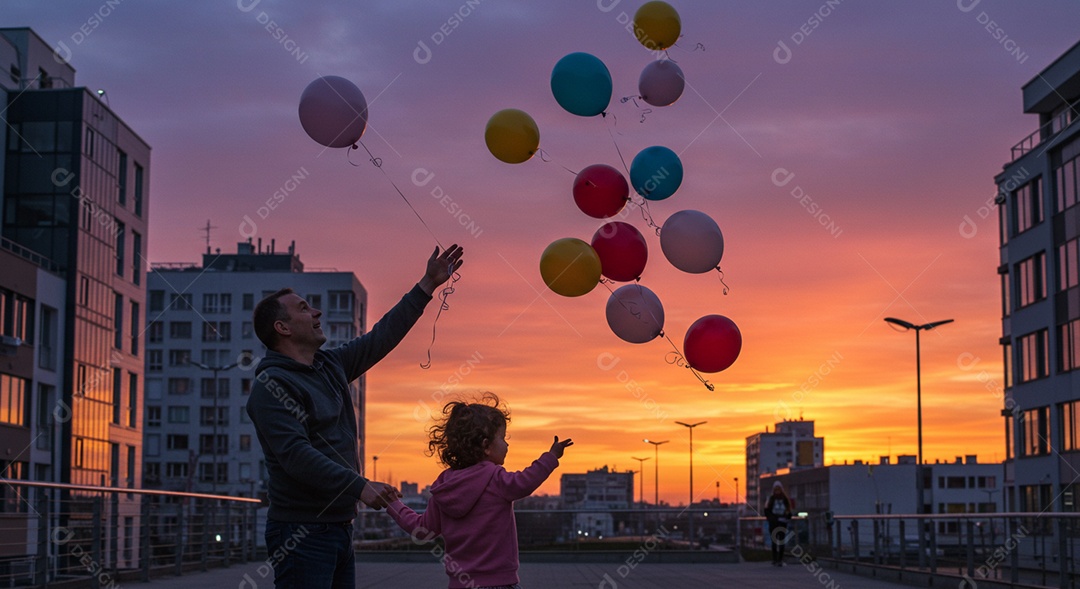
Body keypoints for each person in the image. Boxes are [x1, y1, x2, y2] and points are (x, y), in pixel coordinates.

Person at [246, 244, 464, 589]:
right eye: (304, 309)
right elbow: (297, 456)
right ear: (282, 328)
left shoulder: (329, 365)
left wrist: (427, 285)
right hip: (301, 534)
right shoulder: (271, 385)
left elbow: (381, 337)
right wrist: (359, 486)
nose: (316, 312)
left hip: (340, 527)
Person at [386, 393, 573, 589]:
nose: (507, 444)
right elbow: (525, 482)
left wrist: (394, 505)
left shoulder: (444, 487)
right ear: (486, 446)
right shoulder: (496, 479)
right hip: (500, 583)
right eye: (503, 438)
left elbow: (422, 530)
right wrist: (551, 457)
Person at [765, 480, 793, 566]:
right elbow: (767, 510)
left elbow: (789, 510)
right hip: (773, 523)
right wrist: (772, 519)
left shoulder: (785, 499)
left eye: (779, 489)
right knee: (774, 541)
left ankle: (780, 559)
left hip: (782, 523)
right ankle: (774, 559)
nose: (777, 491)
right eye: (776, 489)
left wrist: (787, 517)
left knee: (781, 542)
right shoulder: (771, 499)